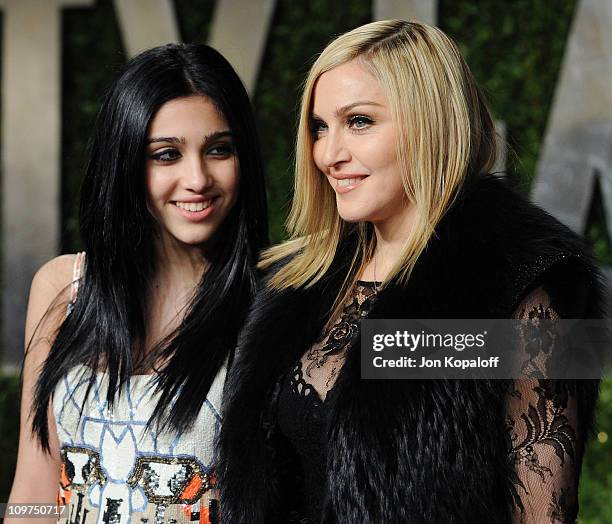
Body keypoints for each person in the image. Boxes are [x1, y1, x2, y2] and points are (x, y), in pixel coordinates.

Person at [218, 20, 605, 523]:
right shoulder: (300, 283)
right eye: (319, 127)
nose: (329, 154)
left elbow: (541, 514)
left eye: (358, 121)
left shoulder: (513, 290)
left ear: (431, 123)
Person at [8, 43, 267, 524]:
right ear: (126, 162)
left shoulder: (273, 302)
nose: (197, 178)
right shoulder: (63, 287)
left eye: (219, 150)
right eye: (166, 155)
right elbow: (34, 484)